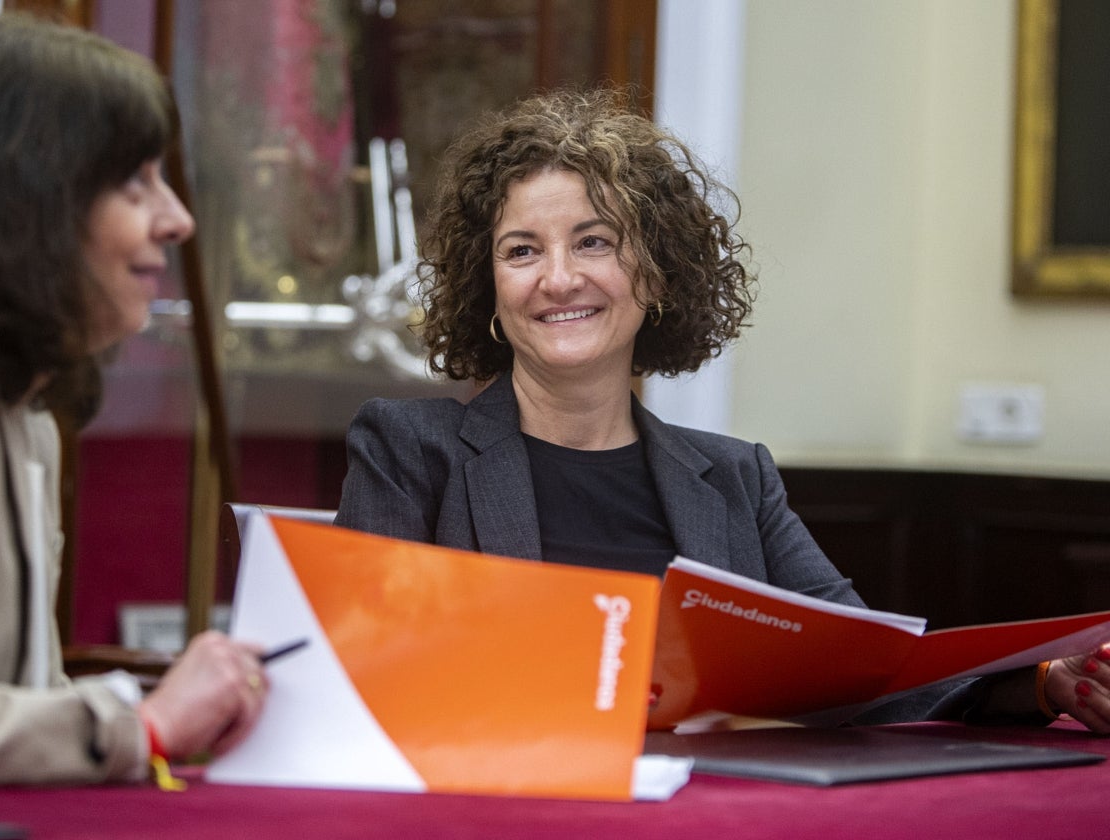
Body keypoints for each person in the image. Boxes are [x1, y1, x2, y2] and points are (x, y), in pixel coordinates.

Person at [334, 87, 1110, 732]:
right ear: (488, 290)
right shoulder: (409, 449)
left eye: (595, 241)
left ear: (658, 275)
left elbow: (868, 672)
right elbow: (368, 676)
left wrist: (1045, 684)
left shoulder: (738, 478)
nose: (559, 277)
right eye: (522, 250)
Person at [0, 14, 272, 786]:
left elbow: (4, 702)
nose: (178, 219)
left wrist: (167, 709)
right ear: (24, 201)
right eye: (134, 181)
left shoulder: (25, 411)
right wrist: (138, 724)